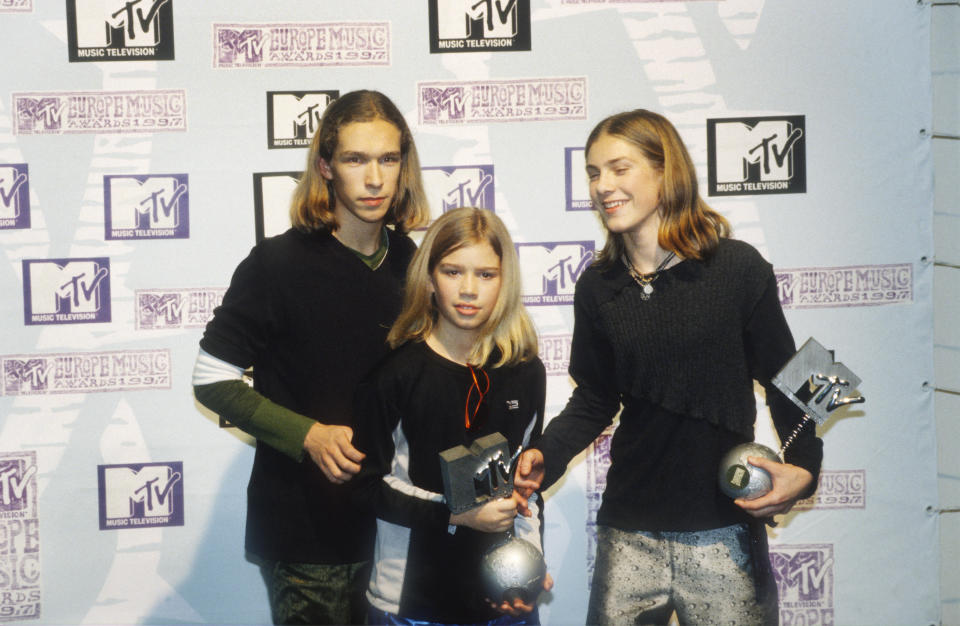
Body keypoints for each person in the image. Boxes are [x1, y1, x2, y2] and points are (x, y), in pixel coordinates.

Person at [513, 109, 823, 625]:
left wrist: (805, 469)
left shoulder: (740, 267)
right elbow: (594, 398)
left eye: (619, 168)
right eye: (593, 173)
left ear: (665, 172)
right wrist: (547, 453)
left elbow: (802, 378)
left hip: (727, 531)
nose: (602, 185)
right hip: (629, 531)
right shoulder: (597, 286)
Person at [192, 90, 430, 625]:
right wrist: (308, 435)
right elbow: (211, 378)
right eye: (355, 159)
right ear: (325, 166)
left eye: (388, 159)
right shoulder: (276, 264)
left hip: (395, 530)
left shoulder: (416, 265)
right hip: (305, 534)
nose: (374, 179)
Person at [351, 207, 553, 625]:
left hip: (501, 602)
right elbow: (365, 485)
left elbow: (527, 488)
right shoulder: (396, 373)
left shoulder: (525, 371)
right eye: (452, 271)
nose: (468, 290)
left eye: (485, 274)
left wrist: (527, 570)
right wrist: (455, 514)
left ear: (505, 281)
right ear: (429, 279)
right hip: (411, 602)